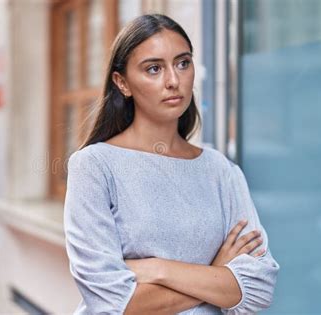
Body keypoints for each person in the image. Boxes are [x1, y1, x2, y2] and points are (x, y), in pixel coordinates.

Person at [63, 14, 279, 314]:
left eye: (183, 63)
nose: (173, 81)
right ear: (122, 82)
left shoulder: (220, 170)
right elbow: (114, 304)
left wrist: (158, 269)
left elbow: (258, 287)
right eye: (154, 68)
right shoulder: (94, 166)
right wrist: (215, 274)